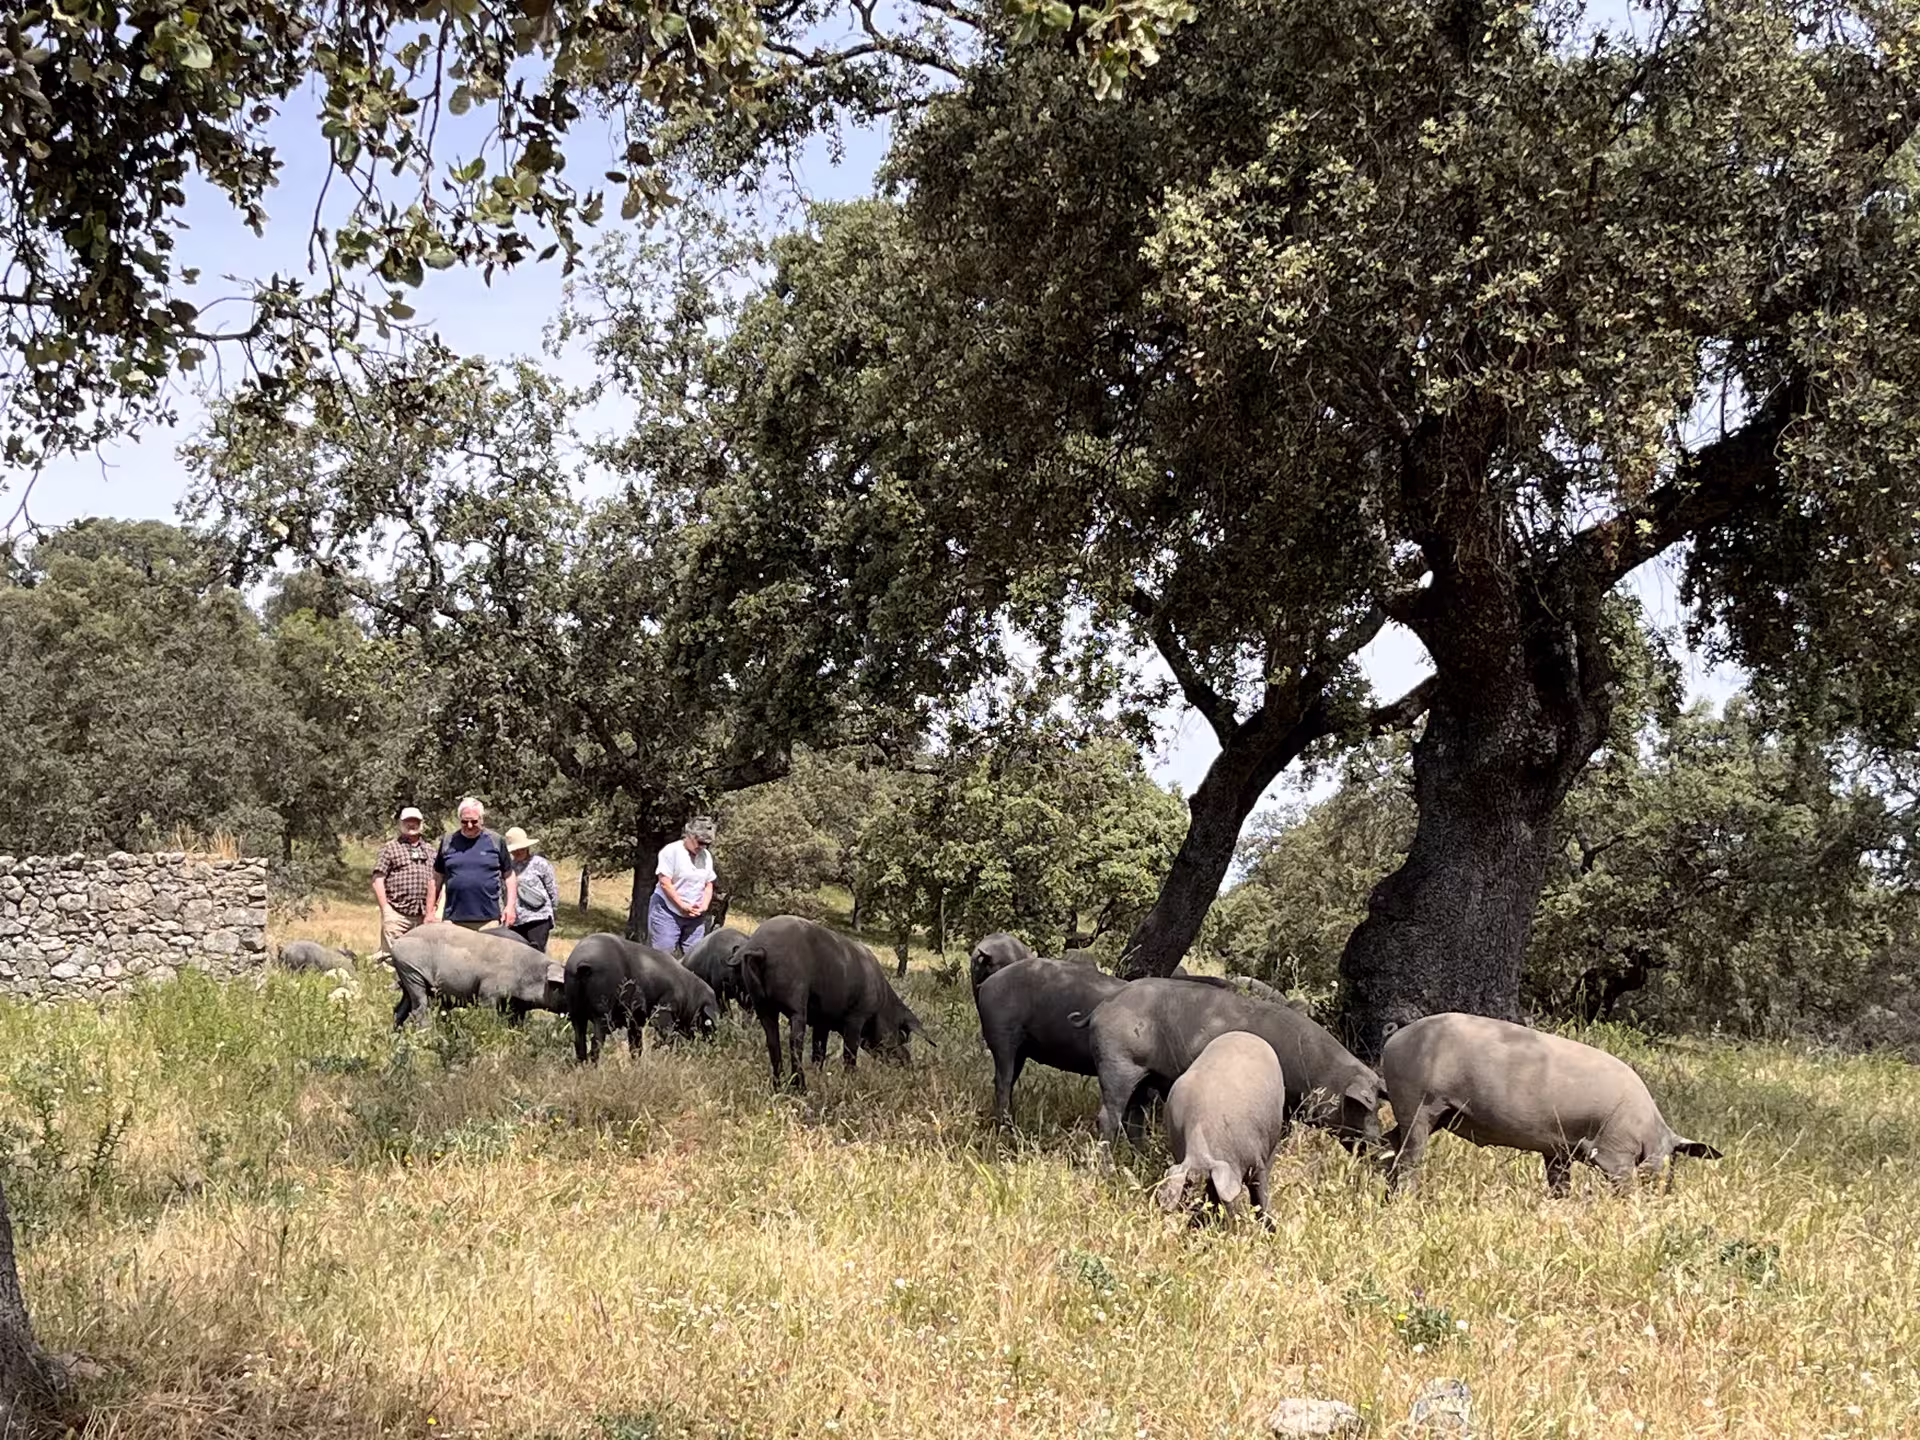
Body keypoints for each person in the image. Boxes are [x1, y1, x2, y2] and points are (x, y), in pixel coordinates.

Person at [427, 797, 517, 930]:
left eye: (474, 821)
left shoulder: (496, 841)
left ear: (482, 819)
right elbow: (436, 879)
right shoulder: (448, 842)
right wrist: (429, 912)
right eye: (464, 822)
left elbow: (509, 876)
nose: (469, 826)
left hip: (489, 920)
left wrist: (510, 907)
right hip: (453, 920)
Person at [370, 805, 434, 955]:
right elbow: (377, 879)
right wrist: (386, 908)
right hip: (397, 914)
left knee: (418, 957)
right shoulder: (390, 848)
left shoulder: (431, 850)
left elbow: (437, 880)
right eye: (407, 821)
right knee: (391, 958)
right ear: (400, 824)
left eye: (415, 821)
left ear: (421, 824)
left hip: (423, 916)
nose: (412, 824)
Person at [649, 816, 716, 956]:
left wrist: (704, 906)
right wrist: (681, 906)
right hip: (667, 911)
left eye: (706, 844)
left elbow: (708, 884)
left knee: (695, 958)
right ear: (689, 835)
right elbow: (665, 882)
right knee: (663, 957)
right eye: (700, 842)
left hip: (695, 916)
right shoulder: (671, 851)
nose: (702, 847)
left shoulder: (706, 856)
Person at [503, 825, 559, 952]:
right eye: (514, 850)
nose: (518, 852)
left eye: (520, 849)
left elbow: (552, 889)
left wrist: (553, 911)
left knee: (536, 953)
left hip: (538, 918)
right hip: (516, 921)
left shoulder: (541, 864)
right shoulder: (508, 867)